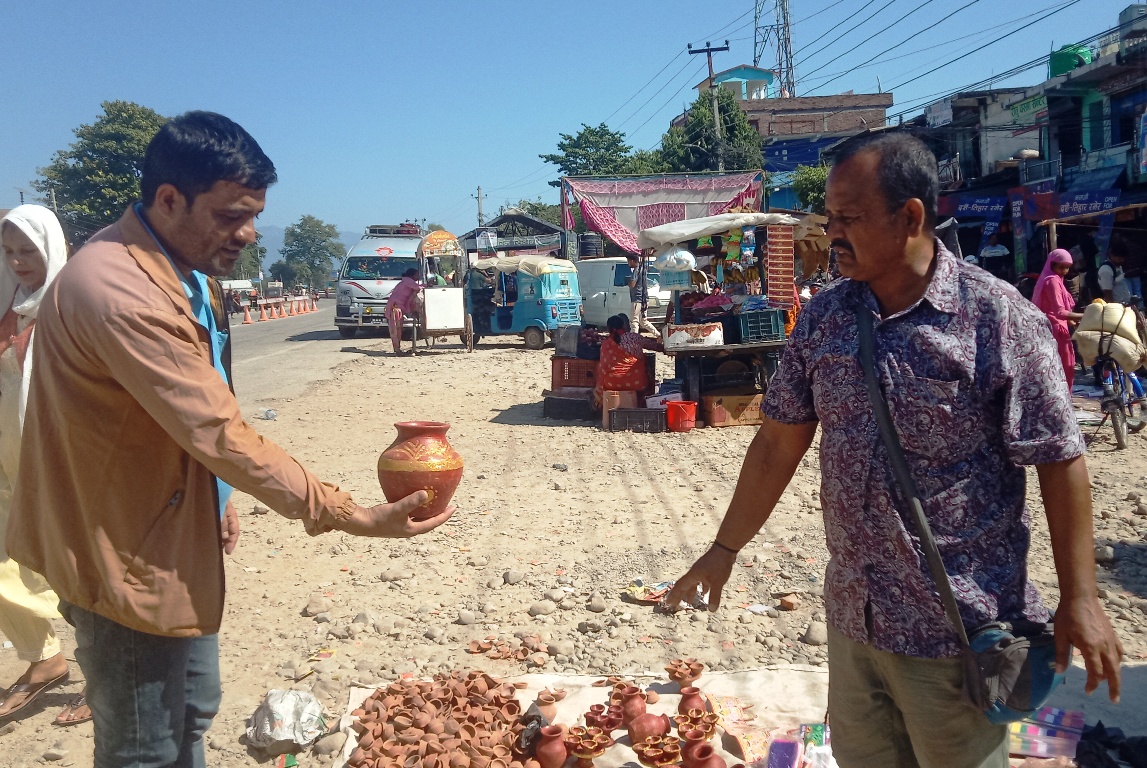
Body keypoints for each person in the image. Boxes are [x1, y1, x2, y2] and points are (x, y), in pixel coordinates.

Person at [7, 112, 451, 767]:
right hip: (120, 555)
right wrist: (347, 513)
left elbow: (185, 416)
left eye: (254, 215)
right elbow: (218, 429)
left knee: (192, 714)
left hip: (172, 529)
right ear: (167, 200)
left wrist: (215, 497)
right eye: (229, 215)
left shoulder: (187, 271)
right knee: (143, 747)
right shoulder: (117, 288)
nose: (246, 233)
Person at [665, 132, 1121, 768]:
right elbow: (777, 443)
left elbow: (1059, 458)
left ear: (909, 217)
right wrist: (722, 550)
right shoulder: (825, 319)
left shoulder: (997, 320)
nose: (832, 232)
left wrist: (1081, 598)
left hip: (955, 631)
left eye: (848, 217)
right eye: (830, 217)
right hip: (856, 622)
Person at [0, 206, 93, 727]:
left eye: (28, 251)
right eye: (9, 251)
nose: (17, 261)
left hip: (61, 463)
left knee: (79, 572)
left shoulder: (72, 307)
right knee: (8, 563)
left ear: (53, 248)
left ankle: (103, 680)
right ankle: (44, 658)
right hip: (7, 458)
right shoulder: (8, 306)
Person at [1032, 249, 1083, 391]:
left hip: (1050, 327)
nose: (1064, 271)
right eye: (1061, 267)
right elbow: (1059, 311)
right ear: (1052, 265)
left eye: (1067, 267)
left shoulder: (1051, 279)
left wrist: (1072, 321)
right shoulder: (1052, 281)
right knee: (1065, 365)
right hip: (1055, 330)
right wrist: (1086, 315)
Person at [592, 314, 661, 409]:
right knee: (648, 371)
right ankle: (643, 405)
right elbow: (655, 346)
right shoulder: (634, 337)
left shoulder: (605, 344)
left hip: (611, 383)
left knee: (600, 368)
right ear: (624, 326)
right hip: (637, 383)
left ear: (608, 329)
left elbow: (603, 366)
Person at [385, 267, 421, 354]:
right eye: (416, 275)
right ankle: (397, 349)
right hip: (395, 308)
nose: (418, 277)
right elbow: (418, 288)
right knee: (396, 329)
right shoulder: (408, 281)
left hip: (397, 307)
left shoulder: (405, 281)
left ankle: (397, 348)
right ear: (412, 275)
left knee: (398, 329)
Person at [627, 251, 657, 335]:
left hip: (637, 300)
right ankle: (658, 335)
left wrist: (628, 282)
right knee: (643, 321)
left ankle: (634, 339)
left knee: (634, 322)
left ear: (632, 261)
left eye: (628, 261)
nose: (628, 263)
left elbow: (632, 284)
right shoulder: (643, 269)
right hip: (644, 299)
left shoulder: (636, 270)